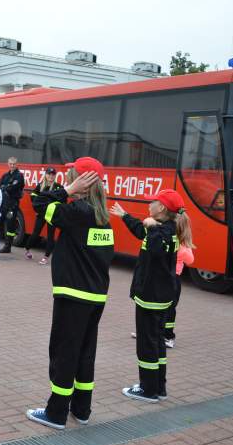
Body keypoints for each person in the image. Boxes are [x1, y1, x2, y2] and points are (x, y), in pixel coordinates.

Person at [26, 158, 114, 430]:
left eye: (72, 175)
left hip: (73, 295)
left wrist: (65, 190)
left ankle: (56, 413)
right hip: (95, 296)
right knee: (85, 353)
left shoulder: (78, 211)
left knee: (64, 351)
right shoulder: (103, 216)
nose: (67, 178)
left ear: (82, 182)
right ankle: (82, 408)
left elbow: (38, 204)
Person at [111, 189, 183, 403]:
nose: (149, 205)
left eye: (153, 202)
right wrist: (125, 216)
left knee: (147, 344)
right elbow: (141, 232)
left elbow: (154, 246)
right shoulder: (164, 229)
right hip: (159, 296)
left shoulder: (162, 233)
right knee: (157, 342)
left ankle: (148, 390)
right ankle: (158, 386)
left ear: (161, 208)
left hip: (152, 297)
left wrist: (152, 228)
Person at [164, 212, 195, 348]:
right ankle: (161, 334)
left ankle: (165, 335)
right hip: (168, 278)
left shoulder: (175, 242)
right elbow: (190, 260)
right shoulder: (179, 244)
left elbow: (190, 260)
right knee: (165, 308)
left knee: (165, 308)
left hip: (168, 279)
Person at [24, 168, 63, 265]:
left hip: (52, 215)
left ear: (55, 176)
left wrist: (57, 212)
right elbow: (33, 196)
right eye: (49, 174)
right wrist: (37, 210)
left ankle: (46, 257)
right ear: (45, 175)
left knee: (50, 236)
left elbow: (63, 201)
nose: (51, 176)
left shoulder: (58, 187)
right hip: (41, 214)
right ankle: (27, 249)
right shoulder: (40, 185)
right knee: (35, 233)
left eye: (53, 174)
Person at [0, 157, 25, 253]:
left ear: (17, 164)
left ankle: (7, 246)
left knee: (10, 225)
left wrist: (6, 187)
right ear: (8, 164)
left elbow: (14, 187)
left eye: (14, 164)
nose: (12, 165)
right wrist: (6, 186)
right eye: (10, 164)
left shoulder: (19, 176)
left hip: (13, 204)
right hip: (4, 203)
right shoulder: (5, 175)